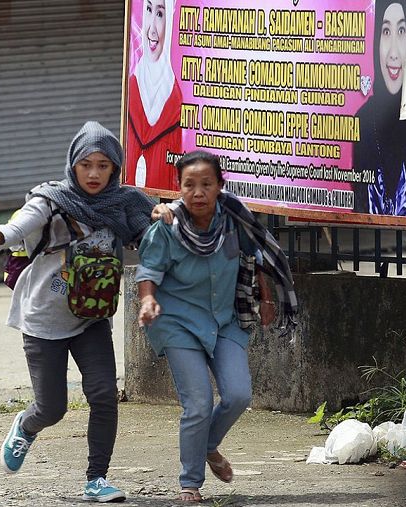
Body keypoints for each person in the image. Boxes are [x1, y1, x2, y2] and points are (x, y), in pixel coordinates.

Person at [0, 121, 155, 503]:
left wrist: (171, 221)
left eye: (103, 165)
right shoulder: (50, 200)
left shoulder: (125, 203)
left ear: (115, 168)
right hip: (43, 317)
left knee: (103, 395)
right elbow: (15, 231)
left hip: (91, 316)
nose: (94, 173)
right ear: (72, 165)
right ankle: (27, 426)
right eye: (86, 164)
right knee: (52, 407)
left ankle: (96, 479)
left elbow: (154, 241)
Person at [136, 151, 297, 503]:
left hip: (225, 320)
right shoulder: (166, 227)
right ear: (178, 188)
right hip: (178, 322)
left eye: (206, 184)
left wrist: (267, 298)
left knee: (239, 395)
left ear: (220, 186)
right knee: (198, 403)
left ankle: (207, 446)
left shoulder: (235, 221)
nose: (197, 192)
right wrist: (148, 300)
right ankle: (189, 483)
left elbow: (254, 260)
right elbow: (147, 271)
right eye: (189, 185)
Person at [352, 0, 406, 216]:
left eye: (401, 30)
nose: (393, 53)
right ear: (375, 42)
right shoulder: (362, 121)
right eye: (386, 31)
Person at [124, 0, 182, 192]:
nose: (151, 31)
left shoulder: (177, 105)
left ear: (171, 19)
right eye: (149, 9)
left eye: (160, 14)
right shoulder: (130, 90)